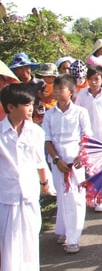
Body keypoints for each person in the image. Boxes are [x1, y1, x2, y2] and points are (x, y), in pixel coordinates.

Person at [0, 83, 48, 270]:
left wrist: (44, 183)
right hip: (6, 197)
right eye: (27, 105)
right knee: (8, 244)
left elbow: (39, 161)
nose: (31, 108)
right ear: (11, 107)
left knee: (30, 242)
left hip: (29, 195)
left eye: (32, 104)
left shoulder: (36, 132)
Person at [43, 75, 92, 254]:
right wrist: (56, 159)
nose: (56, 91)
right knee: (63, 197)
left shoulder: (80, 112)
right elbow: (47, 139)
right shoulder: (49, 114)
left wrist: (81, 156)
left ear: (71, 92)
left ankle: (73, 238)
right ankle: (65, 230)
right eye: (54, 89)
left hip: (75, 162)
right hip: (58, 162)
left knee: (76, 199)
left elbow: (86, 137)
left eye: (60, 89)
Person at [75, 65, 102, 212]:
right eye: (90, 79)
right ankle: (93, 197)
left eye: (96, 79)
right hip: (87, 138)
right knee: (91, 169)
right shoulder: (82, 95)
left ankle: (101, 198)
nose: (93, 82)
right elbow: (77, 115)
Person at [8, 52, 45, 123]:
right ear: (16, 71)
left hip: (41, 120)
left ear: (30, 68)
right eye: (20, 68)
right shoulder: (15, 87)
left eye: (26, 67)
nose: (23, 71)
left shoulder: (41, 84)